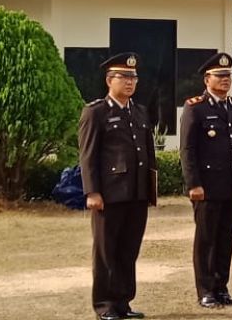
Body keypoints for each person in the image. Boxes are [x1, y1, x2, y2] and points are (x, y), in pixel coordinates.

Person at [77, 52, 156, 320]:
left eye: (134, 77)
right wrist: (92, 191)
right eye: (124, 77)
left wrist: (150, 188)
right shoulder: (96, 112)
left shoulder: (139, 111)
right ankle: (105, 305)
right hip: (109, 195)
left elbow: (148, 154)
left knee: (128, 250)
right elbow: (88, 155)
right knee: (106, 252)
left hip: (136, 193)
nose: (130, 82)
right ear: (109, 80)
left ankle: (123, 302)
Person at [179, 52, 232, 308]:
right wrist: (193, 184)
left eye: (228, 76)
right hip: (208, 186)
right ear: (207, 79)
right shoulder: (195, 107)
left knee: (225, 239)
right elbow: (187, 150)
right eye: (219, 76)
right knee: (206, 240)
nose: (225, 80)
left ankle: (221, 288)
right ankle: (205, 291)